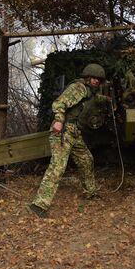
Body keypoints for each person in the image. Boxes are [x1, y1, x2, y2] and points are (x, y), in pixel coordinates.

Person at [28, 63, 111, 218]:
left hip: (74, 134)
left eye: (99, 79)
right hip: (63, 132)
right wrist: (59, 120)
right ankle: (38, 205)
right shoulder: (78, 88)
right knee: (57, 167)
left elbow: (94, 99)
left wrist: (107, 100)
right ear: (87, 77)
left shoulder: (90, 93)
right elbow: (59, 103)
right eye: (93, 78)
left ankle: (90, 192)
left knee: (86, 160)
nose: (96, 81)